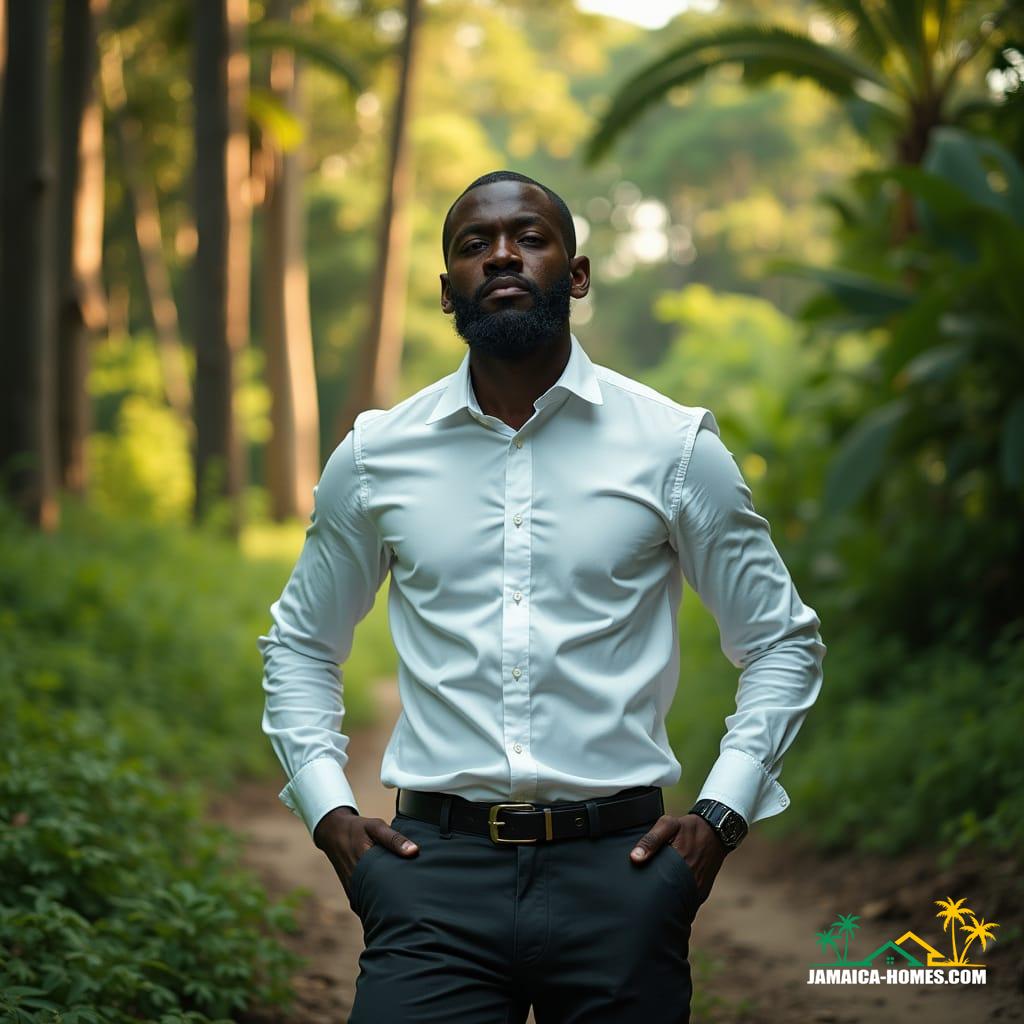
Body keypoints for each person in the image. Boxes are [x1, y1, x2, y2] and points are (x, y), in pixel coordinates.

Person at [258, 169, 826, 1023]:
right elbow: (301, 643)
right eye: (472, 244)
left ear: (579, 272)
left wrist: (720, 815)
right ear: (445, 288)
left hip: (622, 879)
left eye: (529, 235)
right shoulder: (378, 455)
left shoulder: (672, 448)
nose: (500, 255)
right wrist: (328, 809)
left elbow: (781, 641)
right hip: (432, 883)